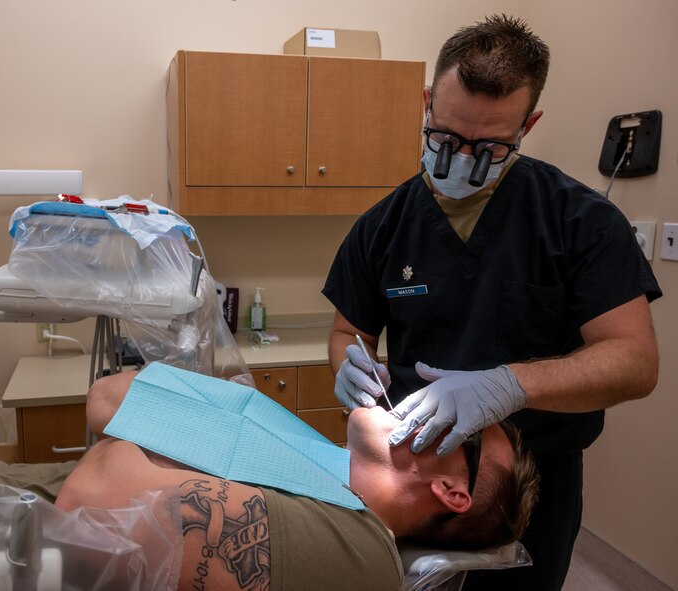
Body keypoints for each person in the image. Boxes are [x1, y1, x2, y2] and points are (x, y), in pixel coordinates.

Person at [323, 14, 661, 591]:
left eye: (489, 146)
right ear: (428, 103)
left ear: (529, 124)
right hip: (413, 475)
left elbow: (635, 361)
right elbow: (346, 334)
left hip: (532, 485)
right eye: (446, 138)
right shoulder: (382, 228)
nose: (461, 160)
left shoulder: (581, 223)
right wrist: (349, 367)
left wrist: (509, 385)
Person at [55, 367, 539, 591]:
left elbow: (89, 502)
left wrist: (155, 432)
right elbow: (105, 396)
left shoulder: (358, 553)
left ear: (453, 492)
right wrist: (147, 450)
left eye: (464, 424)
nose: (433, 399)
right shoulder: (315, 456)